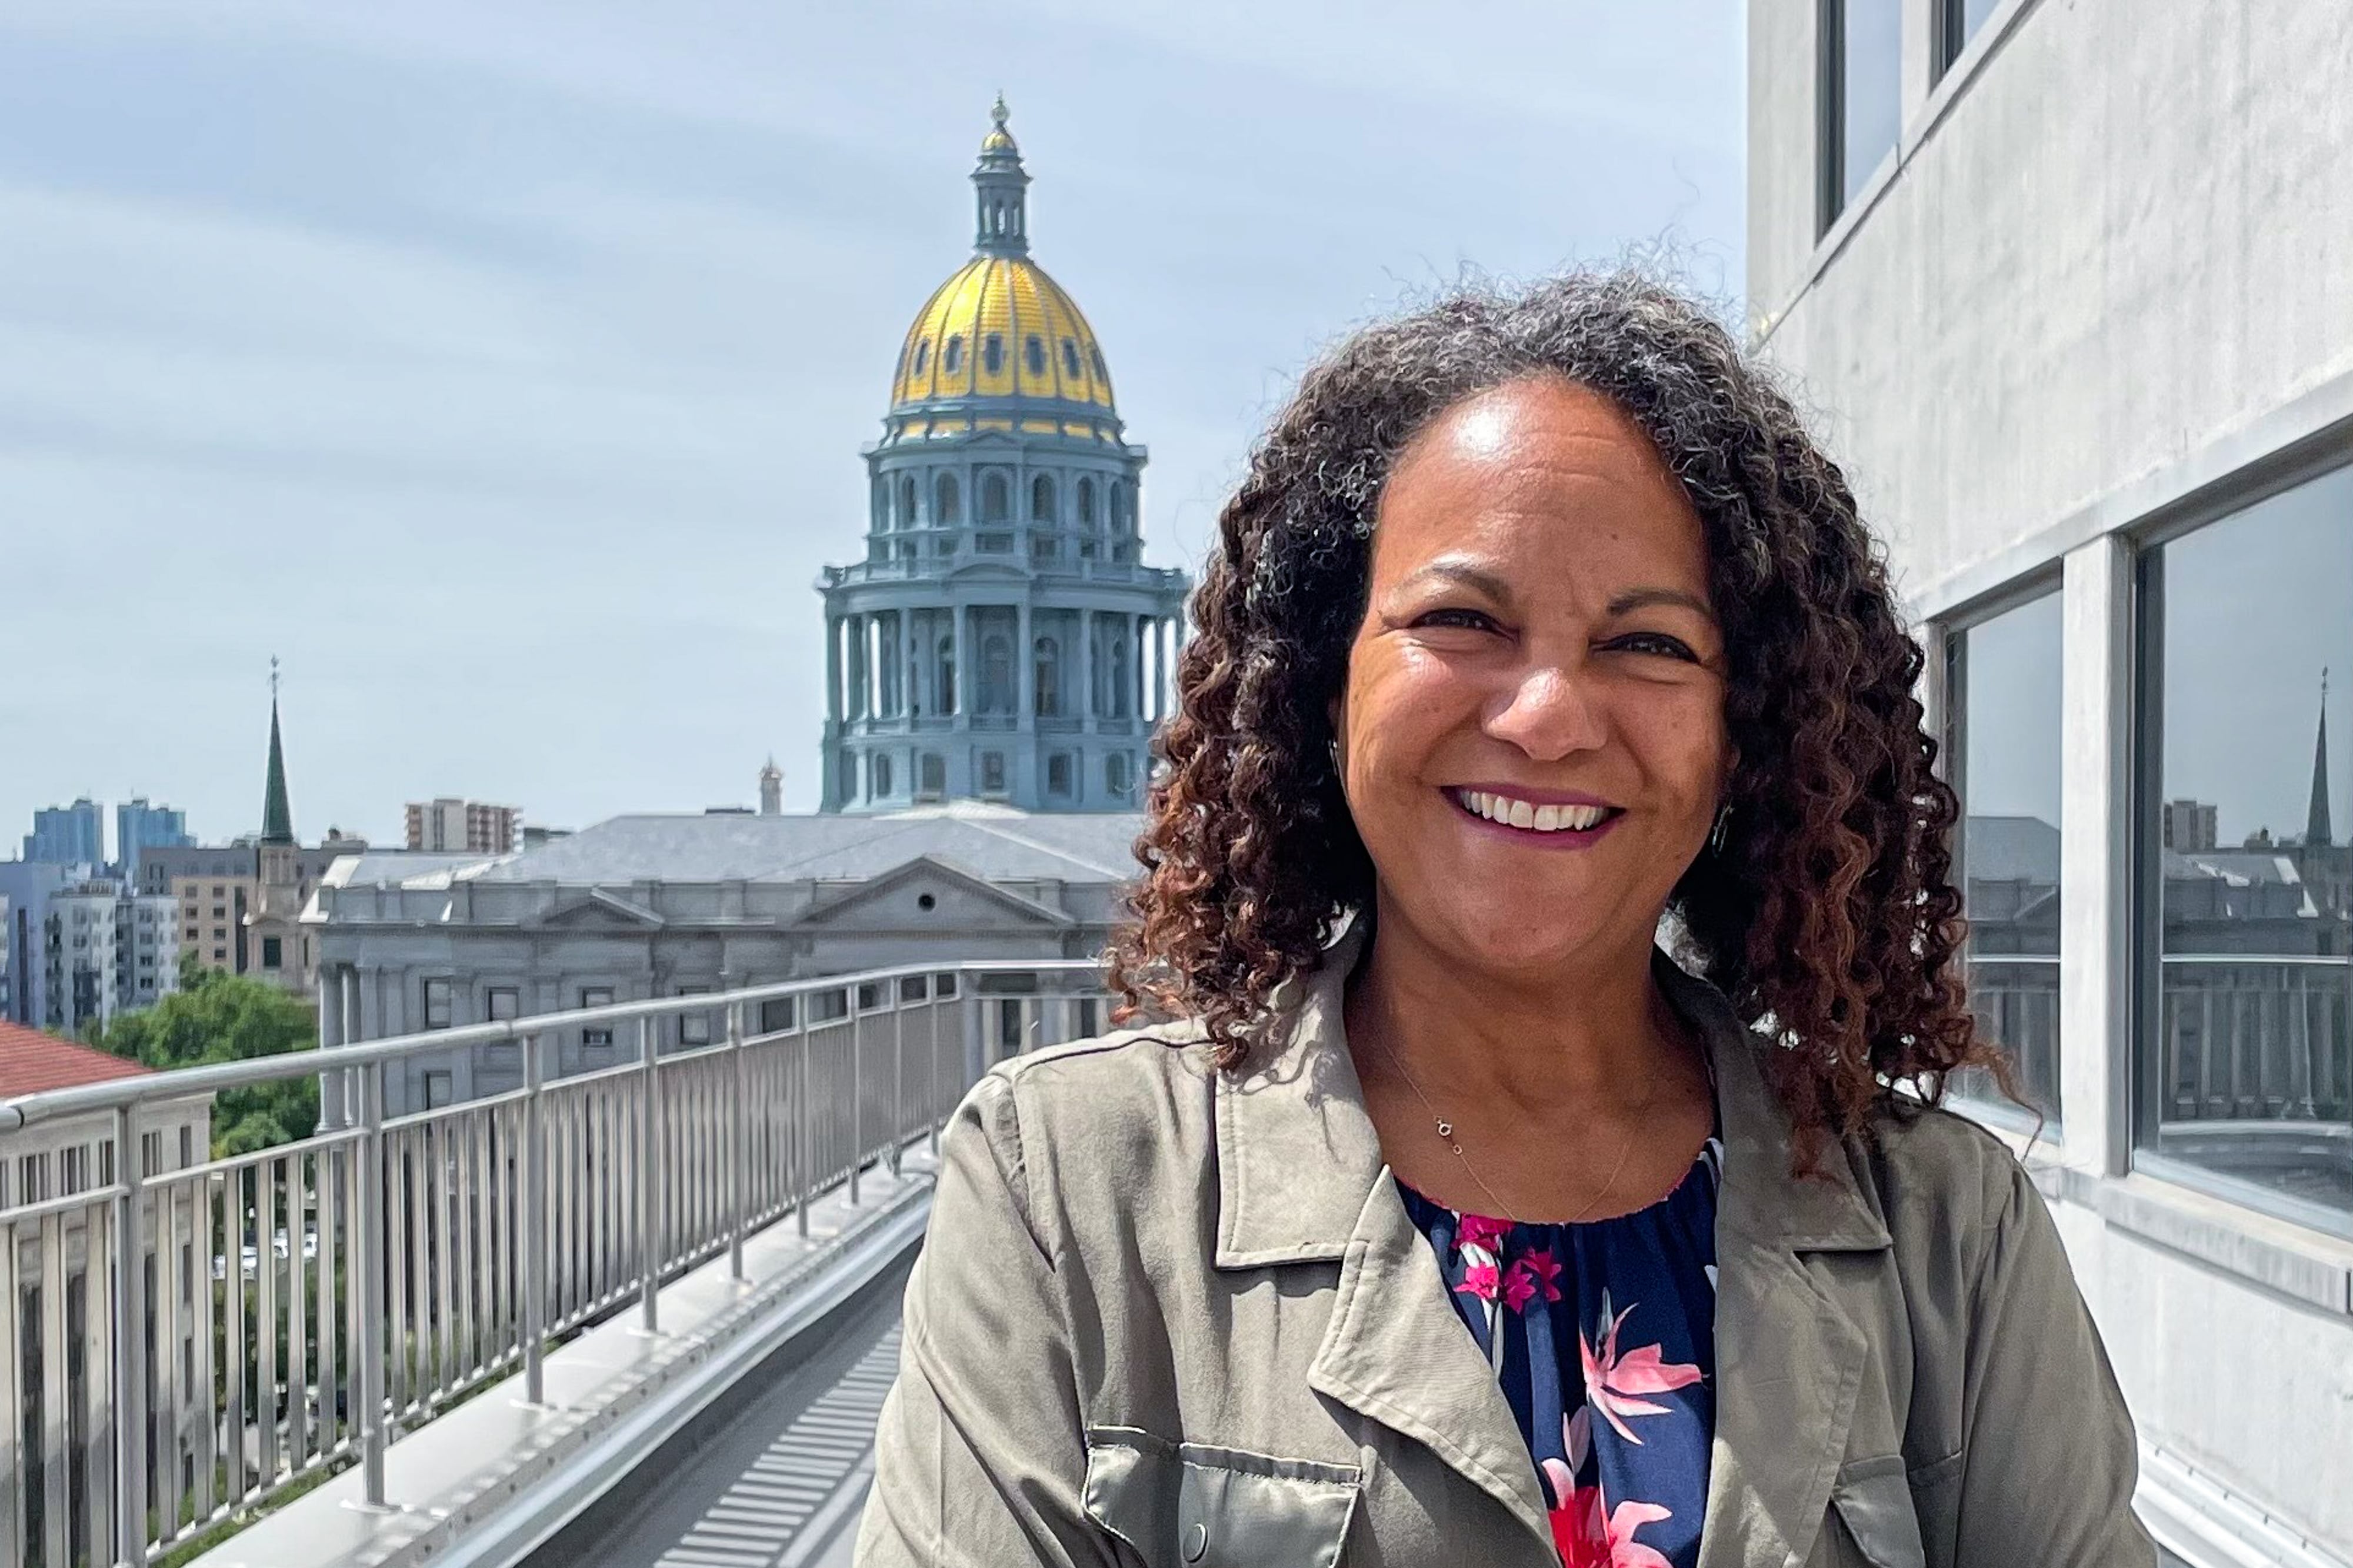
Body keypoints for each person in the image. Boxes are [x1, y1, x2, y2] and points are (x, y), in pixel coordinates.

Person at [853, 271, 2153, 1568]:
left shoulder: (1944, 1225)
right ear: (1321, 683)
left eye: (1645, 644)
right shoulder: (1067, 1188)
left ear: (1742, 731)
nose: (1543, 716)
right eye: (1460, 621)